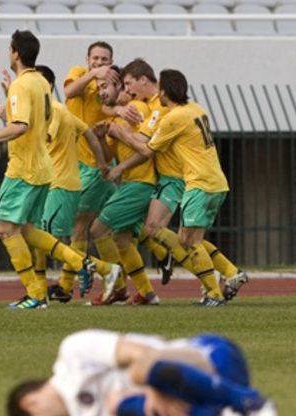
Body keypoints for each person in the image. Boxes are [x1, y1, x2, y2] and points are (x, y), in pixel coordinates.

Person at [0, 30, 121, 309]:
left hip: (24, 169)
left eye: (10, 49)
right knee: (28, 230)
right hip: (44, 169)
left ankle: (35, 293)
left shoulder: (23, 85)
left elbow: (22, 126)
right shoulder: (41, 84)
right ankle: (90, 267)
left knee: (7, 231)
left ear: (15, 53)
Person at [112, 64, 243, 306]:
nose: (156, 92)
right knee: (190, 239)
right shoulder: (196, 109)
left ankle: (214, 293)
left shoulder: (172, 118)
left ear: (164, 92)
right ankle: (231, 273)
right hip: (215, 181)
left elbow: (146, 149)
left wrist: (118, 133)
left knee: (186, 241)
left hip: (198, 182)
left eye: (159, 88)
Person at [5, 329, 277, 416]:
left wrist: (155, 391)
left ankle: (251, 402)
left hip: (207, 358)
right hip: (196, 402)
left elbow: (143, 353)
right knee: (121, 407)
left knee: (138, 371)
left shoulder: (72, 353)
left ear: (30, 403)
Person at [57, 41, 141, 296]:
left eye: (105, 60)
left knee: (80, 225)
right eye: (95, 58)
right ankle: (120, 285)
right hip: (77, 162)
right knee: (102, 229)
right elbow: (70, 92)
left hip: (97, 163)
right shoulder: (80, 74)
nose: (100, 63)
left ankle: (66, 284)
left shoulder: (112, 85)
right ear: (87, 59)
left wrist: (120, 104)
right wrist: (93, 75)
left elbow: (114, 104)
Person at [26, 65, 109, 304]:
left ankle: (103, 269)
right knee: (42, 237)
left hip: (58, 183)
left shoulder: (52, 110)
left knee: (46, 237)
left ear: (48, 86)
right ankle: (41, 289)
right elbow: (90, 134)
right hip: (54, 182)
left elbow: (44, 138)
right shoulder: (54, 111)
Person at [87, 66, 161, 306]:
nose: (101, 92)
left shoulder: (135, 109)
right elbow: (108, 157)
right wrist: (99, 138)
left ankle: (115, 283)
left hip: (140, 184)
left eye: (105, 86)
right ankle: (147, 293)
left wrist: (119, 168)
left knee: (97, 230)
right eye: (99, 87)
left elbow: (145, 150)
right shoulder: (115, 116)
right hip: (132, 183)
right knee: (121, 238)